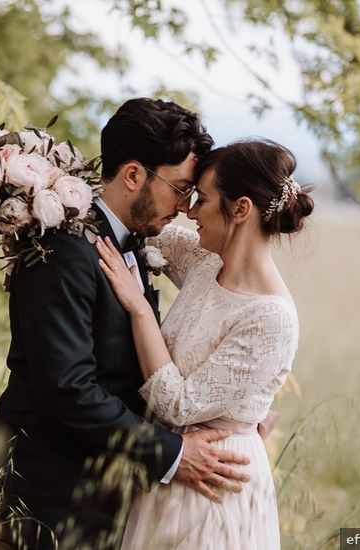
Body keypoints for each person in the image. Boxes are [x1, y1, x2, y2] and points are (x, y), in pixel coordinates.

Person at [0, 98, 253, 549]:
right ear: (134, 175)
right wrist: (172, 454)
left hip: (92, 498)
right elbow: (68, 387)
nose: (184, 206)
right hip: (34, 500)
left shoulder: (127, 242)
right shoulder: (61, 248)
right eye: (179, 188)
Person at [94, 138, 314, 549]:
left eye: (203, 199)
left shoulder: (271, 318)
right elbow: (134, 219)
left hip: (213, 485)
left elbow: (178, 404)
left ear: (241, 209)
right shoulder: (204, 262)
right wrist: (41, 184)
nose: (189, 211)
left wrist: (140, 309)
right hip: (169, 471)